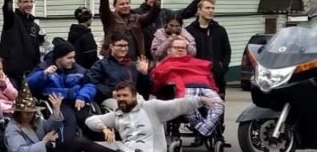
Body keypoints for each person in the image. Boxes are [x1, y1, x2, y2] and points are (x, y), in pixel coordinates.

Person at [85, 81, 220, 152]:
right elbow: (90, 120)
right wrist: (104, 127)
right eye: (118, 96)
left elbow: (178, 105)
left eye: (125, 96)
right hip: (124, 149)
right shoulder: (117, 115)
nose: (121, 99)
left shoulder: (151, 107)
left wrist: (200, 100)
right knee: (80, 144)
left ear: (134, 96)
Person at [150, 35, 224, 136]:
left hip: (205, 87)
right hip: (185, 88)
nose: (180, 49)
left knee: (219, 105)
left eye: (183, 48)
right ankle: (204, 130)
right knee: (188, 108)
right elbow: (157, 83)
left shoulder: (197, 62)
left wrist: (214, 89)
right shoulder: (165, 64)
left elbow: (209, 76)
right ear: (168, 50)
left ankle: (202, 130)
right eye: (177, 47)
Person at [116, 0, 214, 48]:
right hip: (144, 54)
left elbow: (188, 12)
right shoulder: (137, 13)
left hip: (163, 52)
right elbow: (123, 8)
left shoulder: (165, 13)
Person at [26, 40, 95, 139]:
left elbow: (89, 84)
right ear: (59, 58)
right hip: (56, 102)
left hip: (77, 100)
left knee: (88, 119)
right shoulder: (44, 67)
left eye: (73, 57)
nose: (73, 60)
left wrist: (82, 96)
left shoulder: (77, 68)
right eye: (69, 58)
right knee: (69, 120)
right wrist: (43, 74)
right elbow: (28, 85)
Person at [97, 0, 162, 59]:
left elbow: (152, 16)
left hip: (134, 61)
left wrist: (157, 2)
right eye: (122, 4)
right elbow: (103, 8)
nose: (125, 6)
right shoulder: (110, 19)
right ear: (114, 6)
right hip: (113, 60)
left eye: (127, 3)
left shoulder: (136, 18)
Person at [0, 0, 45, 86]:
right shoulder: (12, 19)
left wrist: (38, 69)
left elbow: (36, 51)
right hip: (12, 73)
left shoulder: (35, 26)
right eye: (25, 2)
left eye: (31, 2)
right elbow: (7, 7)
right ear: (19, 3)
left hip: (29, 74)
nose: (28, 5)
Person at [88, 34, 151, 109]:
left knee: (149, 107)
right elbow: (93, 82)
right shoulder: (101, 65)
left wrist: (144, 74)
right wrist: (111, 92)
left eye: (126, 45)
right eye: (120, 46)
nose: (124, 49)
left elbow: (145, 89)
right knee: (122, 108)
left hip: (134, 97)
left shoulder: (134, 65)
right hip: (112, 98)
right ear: (111, 46)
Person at [185, 0, 231, 99]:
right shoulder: (190, 31)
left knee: (218, 108)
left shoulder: (220, 30)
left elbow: (227, 52)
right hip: (197, 77)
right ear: (199, 10)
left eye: (213, 8)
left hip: (217, 78)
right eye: (207, 8)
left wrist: (222, 68)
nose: (211, 11)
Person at [4, 86, 63, 152]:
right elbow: (19, 150)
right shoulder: (12, 129)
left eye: (32, 112)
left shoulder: (37, 121)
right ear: (19, 113)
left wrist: (56, 110)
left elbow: (51, 127)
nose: (30, 115)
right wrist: (44, 142)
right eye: (27, 113)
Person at [68, 6, 99, 71]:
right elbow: (92, 55)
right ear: (89, 19)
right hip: (86, 70)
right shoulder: (87, 35)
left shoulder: (72, 33)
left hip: (74, 68)